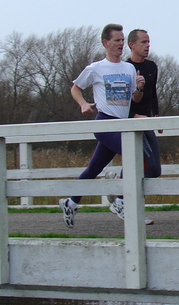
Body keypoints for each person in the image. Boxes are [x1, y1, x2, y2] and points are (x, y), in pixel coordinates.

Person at [59, 24, 161, 228]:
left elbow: (135, 97)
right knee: (135, 155)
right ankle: (121, 201)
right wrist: (83, 104)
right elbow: (76, 88)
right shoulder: (96, 68)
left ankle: (70, 202)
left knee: (93, 168)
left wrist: (139, 88)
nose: (121, 44)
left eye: (123, 40)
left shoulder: (128, 68)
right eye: (117, 40)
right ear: (106, 43)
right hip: (105, 122)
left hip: (122, 123)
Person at [105, 28, 163, 222]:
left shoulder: (152, 66)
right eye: (144, 42)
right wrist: (133, 115)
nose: (148, 46)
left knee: (154, 170)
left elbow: (152, 94)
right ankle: (124, 202)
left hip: (146, 121)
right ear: (132, 45)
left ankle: (118, 187)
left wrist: (156, 116)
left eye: (149, 42)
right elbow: (118, 100)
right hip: (131, 122)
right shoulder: (124, 67)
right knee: (143, 164)